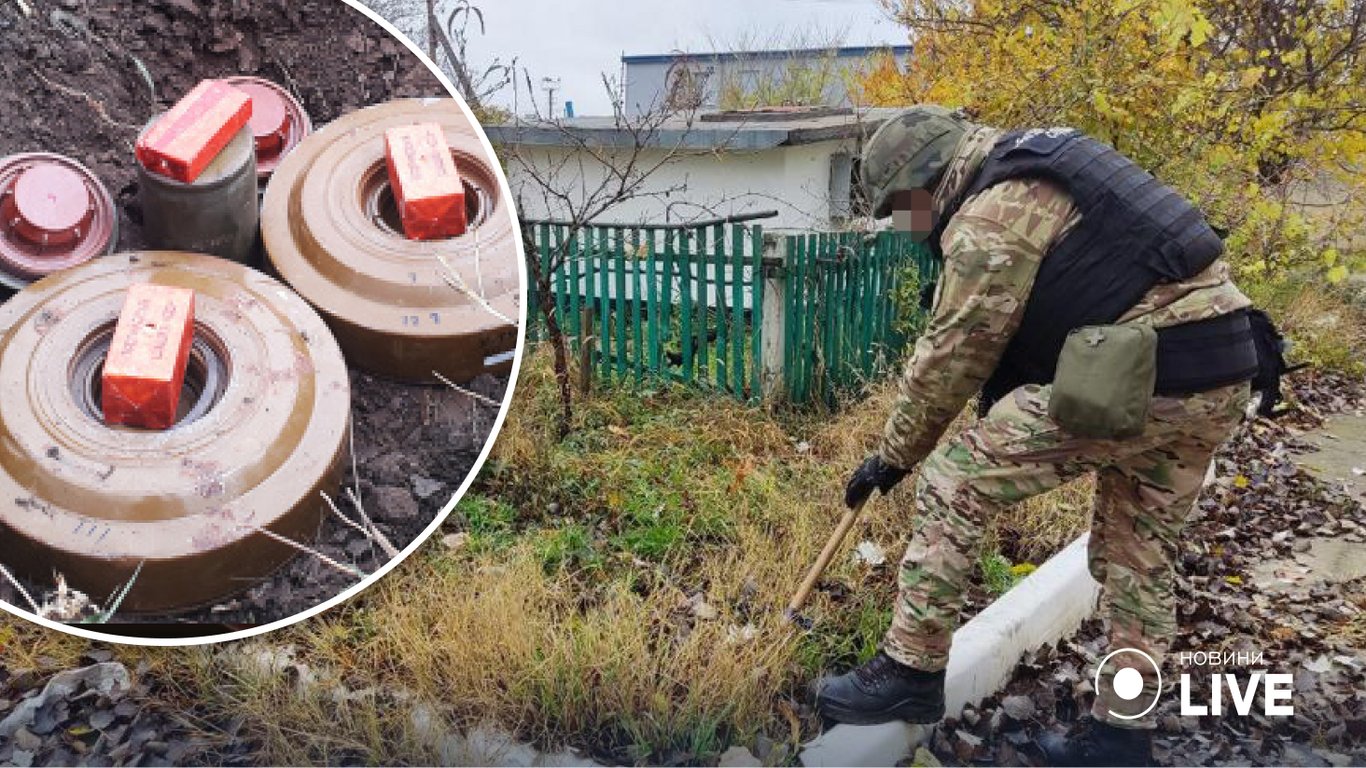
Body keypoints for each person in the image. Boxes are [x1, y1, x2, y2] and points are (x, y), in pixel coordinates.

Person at [814, 105, 1265, 766]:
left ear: (925, 183)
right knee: (1139, 555)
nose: (902, 227)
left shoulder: (991, 212)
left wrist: (893, 456)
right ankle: (1121, 737)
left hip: (1149, 370)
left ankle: (909, 672)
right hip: (1223, 367)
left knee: (954, 477)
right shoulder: (1038, 161)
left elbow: (952, 359)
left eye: (899, 210)